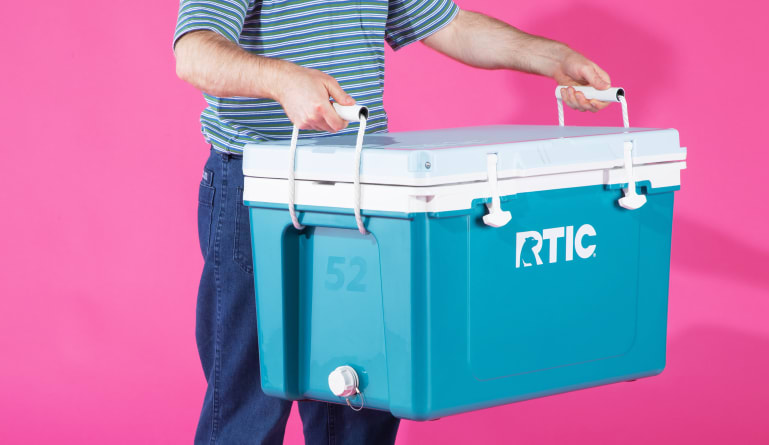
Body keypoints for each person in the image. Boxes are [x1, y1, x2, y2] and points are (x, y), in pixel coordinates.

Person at [173, 1, 611, 443]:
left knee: (360, 400)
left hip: (365, 189)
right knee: (248, 406)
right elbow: (194, 52)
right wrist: (282, 79)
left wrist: (553, 58)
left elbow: (451, 26)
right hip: (264, 193)